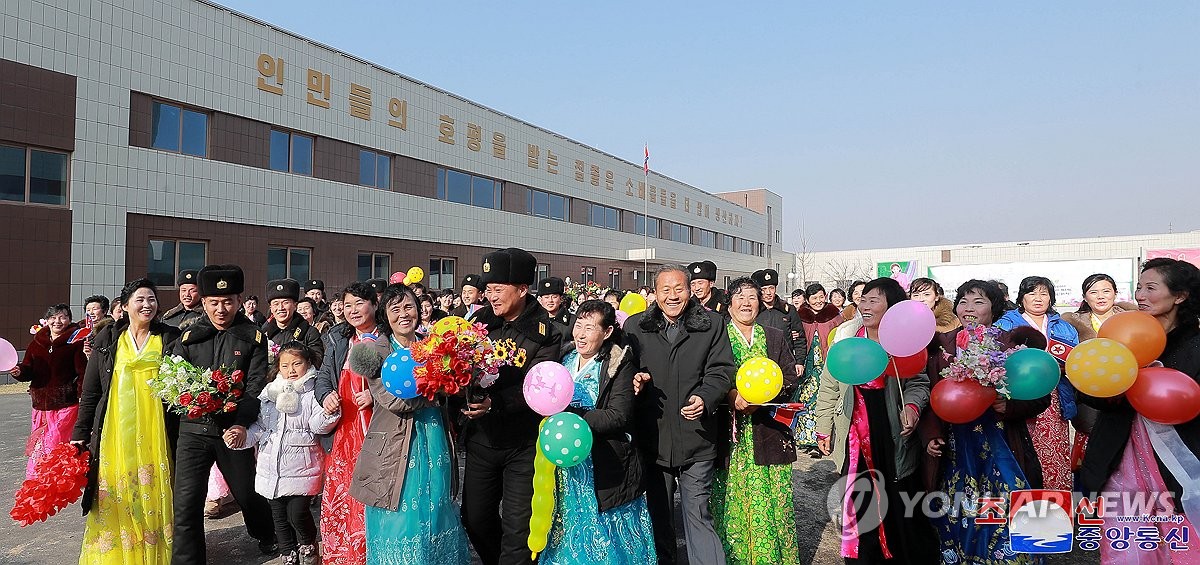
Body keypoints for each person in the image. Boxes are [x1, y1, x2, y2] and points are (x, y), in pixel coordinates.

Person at [920, 280, 1050, 563]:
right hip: (955, 446)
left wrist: (1010, 405)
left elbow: (1041, 397)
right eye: (963, 302)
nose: (969, 308)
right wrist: (930, 436)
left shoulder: (1012, 345)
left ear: (995, 307)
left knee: (1008, 505)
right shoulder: (942, 347)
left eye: (979, 302)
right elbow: (931, 398)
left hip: (1002, 443)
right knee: (957, 509)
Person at [1080, 258, 1200, 564]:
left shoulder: (1194, 345)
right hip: (1121, 454)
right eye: (1139, 287)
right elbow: (1095, 394)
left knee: (1181, 543)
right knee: (1128, 544)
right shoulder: (1122, 337)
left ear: (1180, 295)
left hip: (1178, 464)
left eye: (1151, 287)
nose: (1141, 295)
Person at [814, 277, 938, 563]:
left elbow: (919, 383)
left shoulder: (903, 341)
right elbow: (829, 386)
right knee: (860, 503)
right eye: (864, 299)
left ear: (891, 307)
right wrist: (824, 428)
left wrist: (911, 407)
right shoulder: (846, 338)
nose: (865, 305)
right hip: (855, 433)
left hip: (892, 432)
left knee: (899, 502)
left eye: (874, 300)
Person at [349, 284, 471, 565]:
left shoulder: (434, 345)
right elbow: (393, 401)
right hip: (395, 446)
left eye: (409, 307)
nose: (404, 314)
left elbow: (454, 391)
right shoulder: (375, 352)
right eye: (395, 309)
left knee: (438, 504)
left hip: (435, 438)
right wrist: (437, 390)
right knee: (401, 510)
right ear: (385, 315)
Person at [625, 264, 735, 565]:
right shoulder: (636, 327)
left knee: (698, 513)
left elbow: (722, 369)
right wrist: (633, 378)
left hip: (697, 437)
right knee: (659, 515)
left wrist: (705, 396)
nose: (673, 296)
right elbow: (622, 369)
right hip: (653, 438)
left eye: (679, 289)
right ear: (654, 293)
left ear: (690, 290)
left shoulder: (711, 324)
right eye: (665, 290)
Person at [461, 248, 563, 565]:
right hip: (482, 441)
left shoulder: (545, 332)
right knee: (475, 519)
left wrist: (497, 403)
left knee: (519, 532)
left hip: (524, 444)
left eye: (498, 289)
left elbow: (541, 386)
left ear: (521, 288)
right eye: (488, 289)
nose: (490, 296)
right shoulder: (479, 322)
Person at [170, 265, 276, 563]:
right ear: (203, 303)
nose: (221, 309)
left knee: (247, 494)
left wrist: (242, 424)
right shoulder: (189, 337)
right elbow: (174, 380)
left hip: (233, 431)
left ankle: (265, 534)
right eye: (214, 303)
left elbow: (255, 386)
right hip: (193, 431)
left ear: (239, 300)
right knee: (187, 502)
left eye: (227, 301)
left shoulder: (252, 337)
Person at [72, 278, 181, 563]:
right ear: (125, 306)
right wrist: (81, 431)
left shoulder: (170, 336)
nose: (147, 305)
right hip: (115, 431)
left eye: (152, 299)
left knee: (154, 486)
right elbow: (91, 389)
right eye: (140, 300)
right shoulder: (109, 338)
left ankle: (154, 551)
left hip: (156, 428)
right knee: (117, 489)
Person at [541, 299, 656, 564]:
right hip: (566, 467)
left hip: (604, 462)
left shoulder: (618, 364)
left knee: (608, 536)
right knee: (567, 525)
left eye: (590, 328)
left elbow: (618, 416)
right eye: (578, 325)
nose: (580, 334)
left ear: (606, 333)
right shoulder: (564, 358)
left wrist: (571, 417)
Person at [711, 278, 800, 565]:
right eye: (740, 297)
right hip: (731, 437)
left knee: (775, 502)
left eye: (752, 297)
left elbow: (789, 377)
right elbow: (709, 377)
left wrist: (766, 394)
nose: (746, 303)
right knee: (732, 500)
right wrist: (732, 396)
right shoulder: (718, 336)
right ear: (729, 303)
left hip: (769, 431)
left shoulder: (773, 336)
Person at [233, 341, 339, 565]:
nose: (291, 370)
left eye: (297, 364)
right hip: (271, 465)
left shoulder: (313, 392)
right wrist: (242, 437)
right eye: (285, 365)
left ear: (308, 363)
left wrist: (330, 412)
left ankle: (308, 543)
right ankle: (287, 552)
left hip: (303, 465)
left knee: (298, 512)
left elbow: (317, 425)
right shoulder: (270, 392)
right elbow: (260, 428)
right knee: (279, 516)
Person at [314, 282, 380, 565]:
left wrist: (375, 394)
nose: (353, 311)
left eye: (360, 304)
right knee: (345, 488)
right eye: (348, 305)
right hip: (345, 427)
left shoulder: (386, 339)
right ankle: (345, 552)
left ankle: (372, 548)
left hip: (377, 428)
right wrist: (327, 395)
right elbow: (323, 377)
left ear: (375, 305)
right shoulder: (338, 339)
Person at [995, 275, 1080, 491]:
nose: (1038, 298)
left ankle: (1057, 504)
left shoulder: (1064, 327)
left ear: (1051, 298)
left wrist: (1065, 366)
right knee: (1024, 449)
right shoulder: (1006, 324)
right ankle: (1025, 504)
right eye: (1032, 293)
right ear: (1021, 297)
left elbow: (1076, 359)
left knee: (1055, 450)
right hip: (1021, 396)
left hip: (1055, 394)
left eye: (1044, 293)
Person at [1060, 273, 1137, 471]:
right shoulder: (1074, 323)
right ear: (1085, 297)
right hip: (1089, 392)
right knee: (1091, 433)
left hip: (1128, 387)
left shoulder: (1132, 319)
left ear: (1115, 293)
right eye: (1093, 292)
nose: (1100, 296)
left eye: (1106, 291)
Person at [10, 303, 87, 478]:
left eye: (63, 317)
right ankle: (38, 475)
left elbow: (82, 372)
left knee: (57, 442)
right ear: (47, 320)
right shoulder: (37, 342)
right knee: (41, 443)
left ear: (69, 319)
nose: (57, 321)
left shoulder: (75, 342)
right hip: (40, 404)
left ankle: (56, 476)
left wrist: (81, 396)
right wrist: (19, 371)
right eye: (53, 317)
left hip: (65, 403)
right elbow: (28, 368)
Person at [795, 283, 843, 452]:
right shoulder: (801, 316)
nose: (818, 301)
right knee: (806, 399)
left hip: (826, 365)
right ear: (807, 300)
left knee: (823, 400)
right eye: (814, 298)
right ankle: (806, 438)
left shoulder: (834, 315)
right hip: (808, 365)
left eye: (821, 297)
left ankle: (823, 438)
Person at [751, 269, 807, 378]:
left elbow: (799, 339)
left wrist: (799, 361)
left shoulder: (788, 310)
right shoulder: (753, 311)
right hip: (760, 365)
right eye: (764, 289)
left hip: (786, 363)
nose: (768, 293)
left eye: (771, 288)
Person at [265, 279, 325, 363]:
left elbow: (317, 361)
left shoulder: (309, 332)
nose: (280, 308)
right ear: (271, 308)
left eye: (285, 303)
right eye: (276, 303)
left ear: (295, 305)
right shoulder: (264, 333)